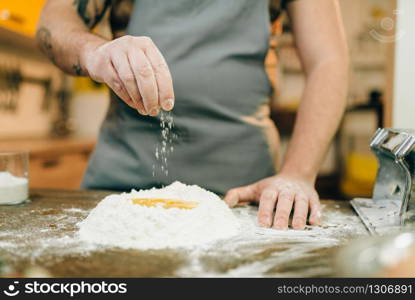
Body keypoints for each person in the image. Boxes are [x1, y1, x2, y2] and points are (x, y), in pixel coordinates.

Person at [37, 0, 349, 230]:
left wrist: (297, 173)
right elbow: (55, 21)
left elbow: (328, 60)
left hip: (245, 194)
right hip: (121, 185)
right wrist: (93, 52)